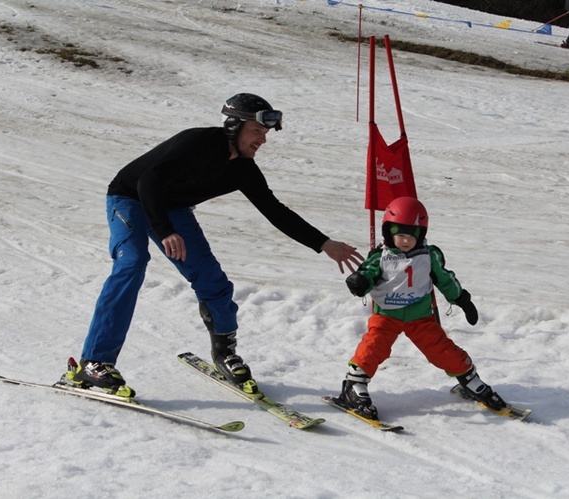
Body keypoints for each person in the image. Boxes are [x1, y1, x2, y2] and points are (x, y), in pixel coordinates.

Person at [67, 93, 364, 396]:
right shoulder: (197, 143)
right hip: (129, 198)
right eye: (257, 131)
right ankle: (94, 362)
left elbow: (274, 210)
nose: (263, 140)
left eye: (265, 133)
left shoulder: (243, 168)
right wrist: (165, 230)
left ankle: (225, 352)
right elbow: (148, 181)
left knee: (212, 279)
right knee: (132, 263)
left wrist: (324, 243)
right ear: (234, 126)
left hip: (172, 209)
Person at [336, 196, 506, 420]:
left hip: (421, 317)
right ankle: (354, 385)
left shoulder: (429, 255)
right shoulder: (380, 257)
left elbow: (445, 279)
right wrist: (360, 282)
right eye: (401, 235)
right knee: (375, 346)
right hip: (387, 315)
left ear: (421, 234)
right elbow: (367, 273)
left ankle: (469, 379)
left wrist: (462, 299)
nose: (406, 241)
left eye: (412, 235)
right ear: (388, 233)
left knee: (441, 349)